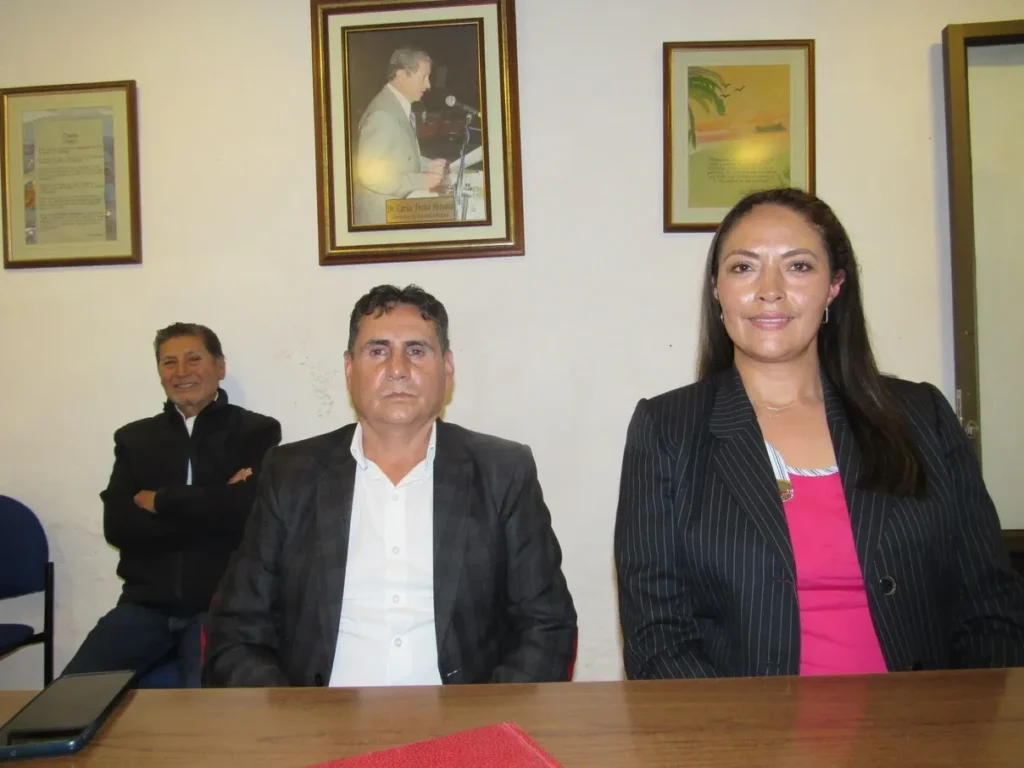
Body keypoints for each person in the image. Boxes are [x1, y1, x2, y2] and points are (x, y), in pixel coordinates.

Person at [615, 187, 1024, 680]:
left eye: (799, 266)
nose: (770, 289)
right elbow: (657, 637)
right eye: (743, 267)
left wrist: (962, 733)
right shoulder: (665, 430)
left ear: (835, 286)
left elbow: (990, 603)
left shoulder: (922, 416)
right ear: (717, 288)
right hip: (747, 740)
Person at [203, 285, 577, 688]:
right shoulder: (290, 474)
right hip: (321, 727)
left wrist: (485, 729)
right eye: (378, 351)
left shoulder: (503, 472)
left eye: (416, 350)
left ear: (447, 368)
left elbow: (547, 625)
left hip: (463, 726)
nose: (398, 368)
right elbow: (236, 630)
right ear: (349, 369)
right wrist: (295, 722)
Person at [62, 324, 281, 686]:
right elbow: (118, 526)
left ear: (220, 367)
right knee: (68, 701)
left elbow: (245, 515)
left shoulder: (256, 431)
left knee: (205, 717)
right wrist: (215, 501)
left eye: (194, 359)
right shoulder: (134, 439)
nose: (181, 372)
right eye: (169, 363)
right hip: (143, 606)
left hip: (217, 607)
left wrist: (161, 500)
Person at [353, 48, 448, 226]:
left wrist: (427, 164)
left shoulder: (396, 104)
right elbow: (370, 175)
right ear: (402, 75)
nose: (428, 85)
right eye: (423, 77)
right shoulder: (383, 115)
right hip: (380, 218)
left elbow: (398, 154)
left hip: (393, 209)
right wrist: (422, 180)